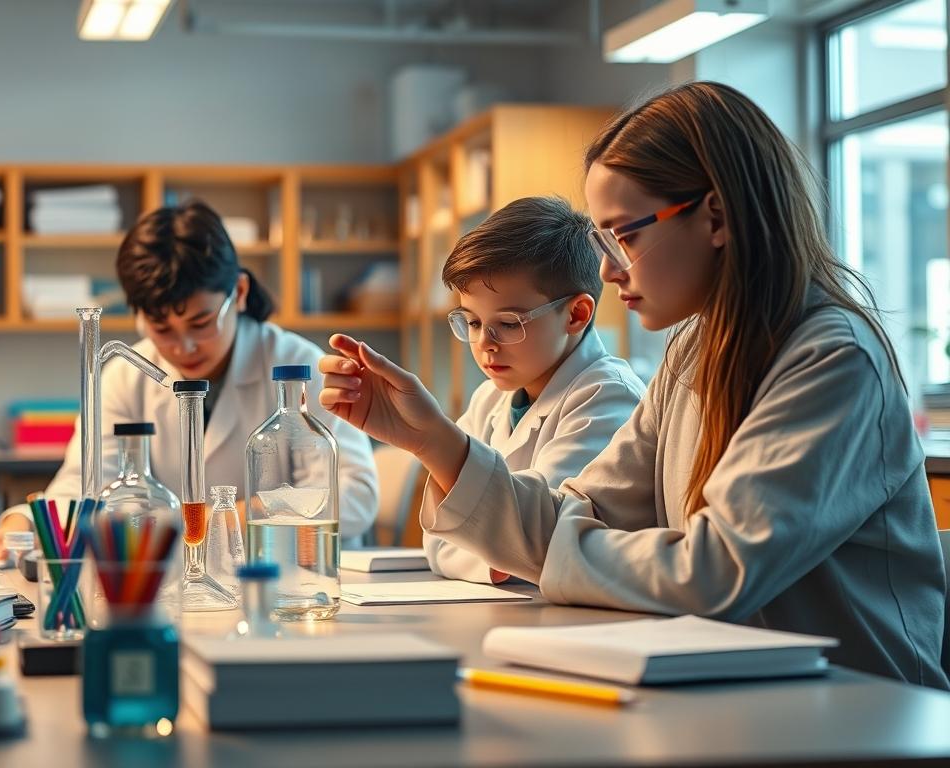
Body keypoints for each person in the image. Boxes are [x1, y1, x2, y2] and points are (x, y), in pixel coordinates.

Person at [318, 82, 948, 688]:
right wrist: (433, 442)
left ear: (716, 217)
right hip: (740, 683)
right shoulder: (692, 351)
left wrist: (557, 553)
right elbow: (581, 512)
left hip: (858, 705)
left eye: (625, 234)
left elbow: (715, 572)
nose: (606, 268)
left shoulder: (832, 359)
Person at [0, 201, 377, 558]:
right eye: (161, 328)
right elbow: (84, 486)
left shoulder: (297, 364)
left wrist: (218, 519)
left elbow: (354, 494)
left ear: (239, 292)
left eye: (201, 322)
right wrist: (24, 525)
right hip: (175, 582)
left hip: (293, 576)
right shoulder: (125, 374)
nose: (183, 346)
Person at [422, 196, 644, 583]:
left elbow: (546, 542)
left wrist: (492, 546)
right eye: (472, 323)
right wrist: (497, 554)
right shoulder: (489, 399)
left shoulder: (607, 397)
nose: (485, 343)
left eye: (508, 323)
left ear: (576, 314)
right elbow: (439, 543)